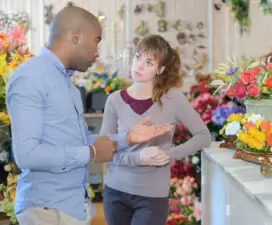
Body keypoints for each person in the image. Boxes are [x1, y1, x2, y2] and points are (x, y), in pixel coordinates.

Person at [6, 6, 173, 225]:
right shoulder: (31, 77)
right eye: (96, 40)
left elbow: (82, 140)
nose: (97, 51)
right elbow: (27, 155)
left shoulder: (67, 84)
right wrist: (91, 153)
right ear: (75, 37)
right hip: (47, 210)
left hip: (70, 207)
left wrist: (128, 138)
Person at [100, 34, 212, 225]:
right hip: (115, 192)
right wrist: (138, 158)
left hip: (152, 197)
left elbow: (203, 136)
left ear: (160, 69)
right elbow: (104, 149)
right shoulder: (114, 100)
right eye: (138, 57)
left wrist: (169, 154)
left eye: (149, 62)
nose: (139, 66)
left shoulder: (173, 99)